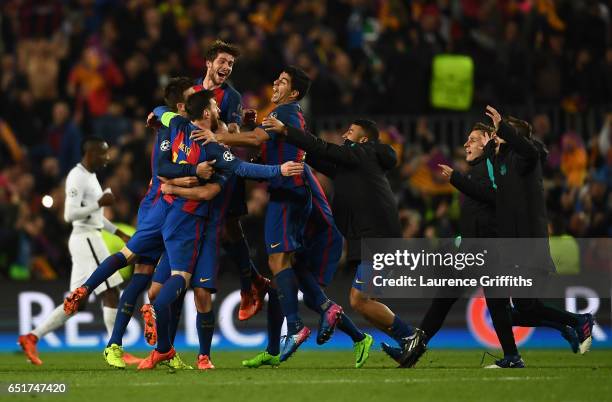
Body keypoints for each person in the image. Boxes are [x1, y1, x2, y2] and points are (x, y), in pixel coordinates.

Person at [136, 89, 303, 370]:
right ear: (206, 113)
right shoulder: (212, 149)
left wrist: (156, 113)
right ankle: (163, 346)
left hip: (188, 223)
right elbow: (243, 168)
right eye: (214, 106)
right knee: (165, 290)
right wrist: (279, 170)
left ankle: (200, 356)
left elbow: (163, 113)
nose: (217, 109)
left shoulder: (178, 125)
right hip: (193, 224)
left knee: (194, 293)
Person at [63, 78, 214, 370]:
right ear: (182, 105)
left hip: (163, 207)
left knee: (142, 274)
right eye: (191, 97)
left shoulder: (175, 125)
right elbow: (162, 167)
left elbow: (161, 112)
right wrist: (184, 174)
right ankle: (117, 338)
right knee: (141, 267)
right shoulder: (170, 126)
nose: (197, 99)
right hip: (164, 207)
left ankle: (152, 346)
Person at [197, 66, 345, 361]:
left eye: (283, 81)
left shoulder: (288, 112)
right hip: (286, 193)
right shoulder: (282, 114)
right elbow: (262, 150)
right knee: (284, 268)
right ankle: (326, 317)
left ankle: (296, 326)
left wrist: (218, 138)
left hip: (288, 193)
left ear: (294, 92)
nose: (275, 82)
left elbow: (254, 141)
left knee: (278, 262)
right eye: (276, 77)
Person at [260, 116, 422, 367]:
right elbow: (318, 156)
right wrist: (290, 141)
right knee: (365, 301)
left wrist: (287, 130)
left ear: (364, 139)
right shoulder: (353, 164)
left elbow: (323, 148)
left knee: (360, 300)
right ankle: (407, 339)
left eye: (351, 131)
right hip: (369, 236)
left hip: (377, 238)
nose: (345, 135)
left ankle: (410, 336)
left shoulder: (363, 154)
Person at [18, 136, 131, 366]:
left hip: (90, 236)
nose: (107, 157)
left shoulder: (90, 176)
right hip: (86, 239)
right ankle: (115, 349)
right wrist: (100, 202)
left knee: (75, 303)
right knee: (111, 290)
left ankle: (31, 337)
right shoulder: (77, 176)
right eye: (103, 153)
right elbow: (70, 215)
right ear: (90, 153)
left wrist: (118, 233)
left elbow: (95, 218)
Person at [195, 39, 269, 321]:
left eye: (231, 64)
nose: (226, 67)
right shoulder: (191, 90)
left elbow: (235, 131)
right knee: (225, 228)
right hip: (195, 168)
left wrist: (237, 126)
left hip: (221, 170)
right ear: (208, 62)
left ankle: (247, 284)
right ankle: (253, 282)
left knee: (229, 227)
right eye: (223, 62)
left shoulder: (232, 97)